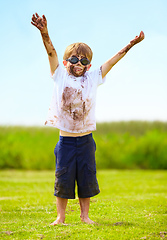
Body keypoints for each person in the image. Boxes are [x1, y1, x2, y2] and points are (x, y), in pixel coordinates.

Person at [31, 13, 145, 225]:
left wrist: (130, 45)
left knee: (86, 178)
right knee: (63, 178)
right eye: (74, 59)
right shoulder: (59, 74)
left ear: (89, 65)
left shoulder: (93, 78)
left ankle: (85, 217)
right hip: (65, 141)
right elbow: (50, 52)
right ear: (66, 61)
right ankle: (60, 218)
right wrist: (44, 33)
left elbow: (112, 61)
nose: (79, 63)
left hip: (85, 140)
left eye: (84, 60)